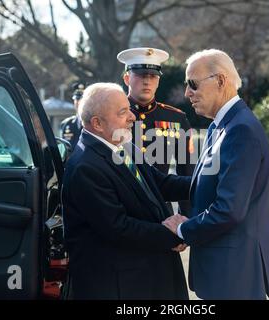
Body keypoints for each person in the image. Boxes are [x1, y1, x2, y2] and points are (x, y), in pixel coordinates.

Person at [162, 49, 269, 300]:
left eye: (193, 84)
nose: (187, 93)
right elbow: (203, 186)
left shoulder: (240, 130)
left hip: (235, 275)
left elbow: (229, 209)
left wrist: (185, 229)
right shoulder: (220, 126)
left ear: (220, 81)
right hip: (224, 271)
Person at [62, 82, 190, 300]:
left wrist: (208, 181)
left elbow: (159, 183)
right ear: (97, 123)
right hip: (120, 287)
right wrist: (173, 233)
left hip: (145, 275)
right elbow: (118, 228)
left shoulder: (123, 145)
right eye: (123, 112)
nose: (132, 116)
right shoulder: (86, 166)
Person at [117, 47, 195, 215]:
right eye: (140, 75)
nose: (147, 82)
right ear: (126, 78)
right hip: (119, 211)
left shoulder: (176, 119)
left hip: (160, 213)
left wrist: (185, 220)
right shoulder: (112, 115)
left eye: (152, 76)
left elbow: (187, 172)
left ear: (158, 81)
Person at [60, 82, 85, 148]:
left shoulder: (94, 124)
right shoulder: (66, 124)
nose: (79, 102)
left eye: (82, 99)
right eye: (77, 99)